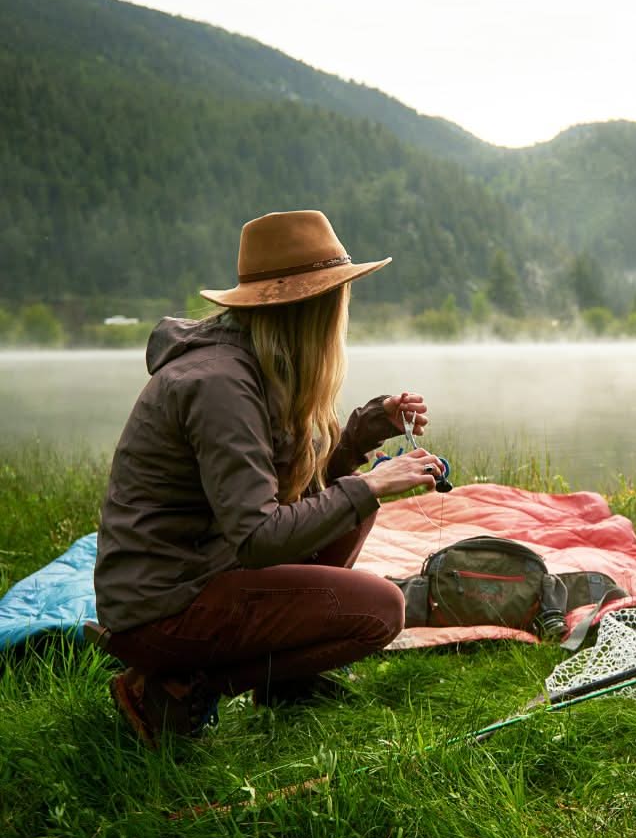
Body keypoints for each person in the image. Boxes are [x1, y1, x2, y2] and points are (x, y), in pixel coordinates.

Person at [91, 210, 445, 746]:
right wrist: (371, 483)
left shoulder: (253, 365)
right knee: (380, 610)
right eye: (336, 297)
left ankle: (288, 684)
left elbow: (291, 495)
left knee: (353, 508)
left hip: (204, 574)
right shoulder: (219, 385)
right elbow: (259, 537)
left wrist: (362, 434)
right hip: (161, 609)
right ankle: (174, 689)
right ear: (310, 308)